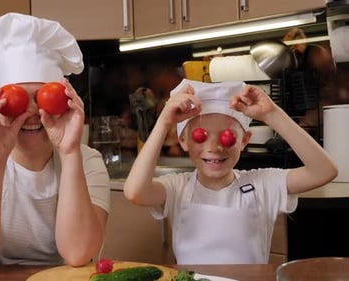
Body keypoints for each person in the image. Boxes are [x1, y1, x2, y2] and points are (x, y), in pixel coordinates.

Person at [0, 13, 110, 275]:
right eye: (16, 100)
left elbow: (78, 254)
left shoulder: (87, 160)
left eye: (45, 98)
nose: (32, 112)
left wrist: (70, 152)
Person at [123, 79, 337, 264]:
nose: (215, 148)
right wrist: (164, 122)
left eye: (227, 137)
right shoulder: (178, 187)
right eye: (200, 136)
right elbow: (135, 192)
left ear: (244, 141)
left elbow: (324, 171)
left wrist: (273, 115)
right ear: (183, 141)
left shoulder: (262, 184)